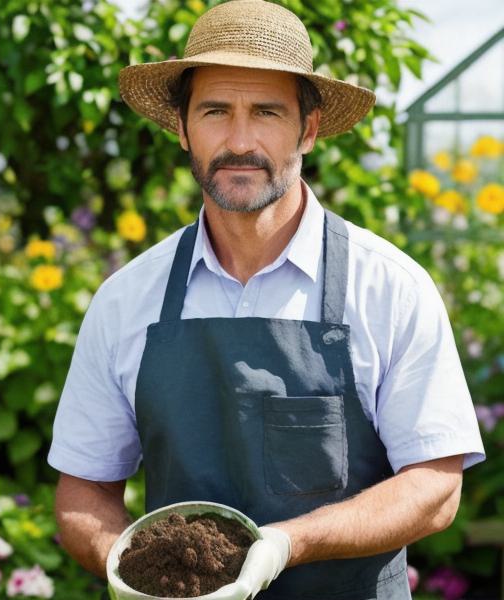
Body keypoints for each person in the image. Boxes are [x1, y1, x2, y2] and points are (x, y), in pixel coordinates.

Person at [48, 1, 485, 597]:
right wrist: (126, 565)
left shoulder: (388, 288)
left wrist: (286, 543)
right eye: (215, 111)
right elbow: (84, 489)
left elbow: (435, 487)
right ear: (181, 128)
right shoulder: (127, 299)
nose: (239, 139)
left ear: (307, 128)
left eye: (266, 112)